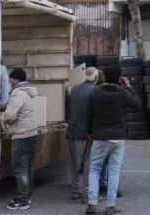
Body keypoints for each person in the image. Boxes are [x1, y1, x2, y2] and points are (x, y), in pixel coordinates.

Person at [85, 66, 142, 215]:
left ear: (104, 77)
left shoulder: (95, 92)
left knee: (95, 169)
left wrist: (89, 132)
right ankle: (110, 206)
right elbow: (137, 104)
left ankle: (92, 204)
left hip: (99, 136)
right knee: (114, 170)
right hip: (118, 137)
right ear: (119, 78)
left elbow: (89, 114)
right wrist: (129, 87)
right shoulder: (122, 93)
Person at [0, 68, 38, 211]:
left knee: (20, 168)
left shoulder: (18, 93)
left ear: (15, 79)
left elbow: (10, 116)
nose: (9, 81)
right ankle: (26, 196)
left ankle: (22, 200)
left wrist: (1, 118)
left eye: (10, 79)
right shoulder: (28, 92)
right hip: (31, 134)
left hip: (22, 135)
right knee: (28, 167)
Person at [67, 67, 100, 202]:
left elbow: (68, 110)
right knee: (88, 165)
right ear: (96, 78)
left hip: (73, 131)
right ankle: (87, 194)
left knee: (75, 163)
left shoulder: (74, 89)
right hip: (86, 133)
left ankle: (76, 191)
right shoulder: (96, 91)